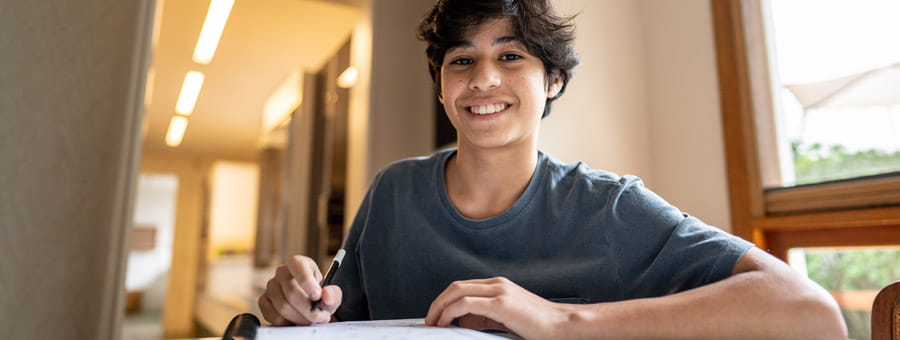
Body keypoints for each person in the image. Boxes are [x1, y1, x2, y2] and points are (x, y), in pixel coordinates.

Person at [258, 0, 847, 338]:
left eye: (510, 56)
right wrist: (298, 310)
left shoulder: (610, 208)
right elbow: (337, 322)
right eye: (462, 60)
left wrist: (562, 320)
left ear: (553, 81)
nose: (483, 79)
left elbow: (811, 311)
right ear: (442, 90)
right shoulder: (392, 192)